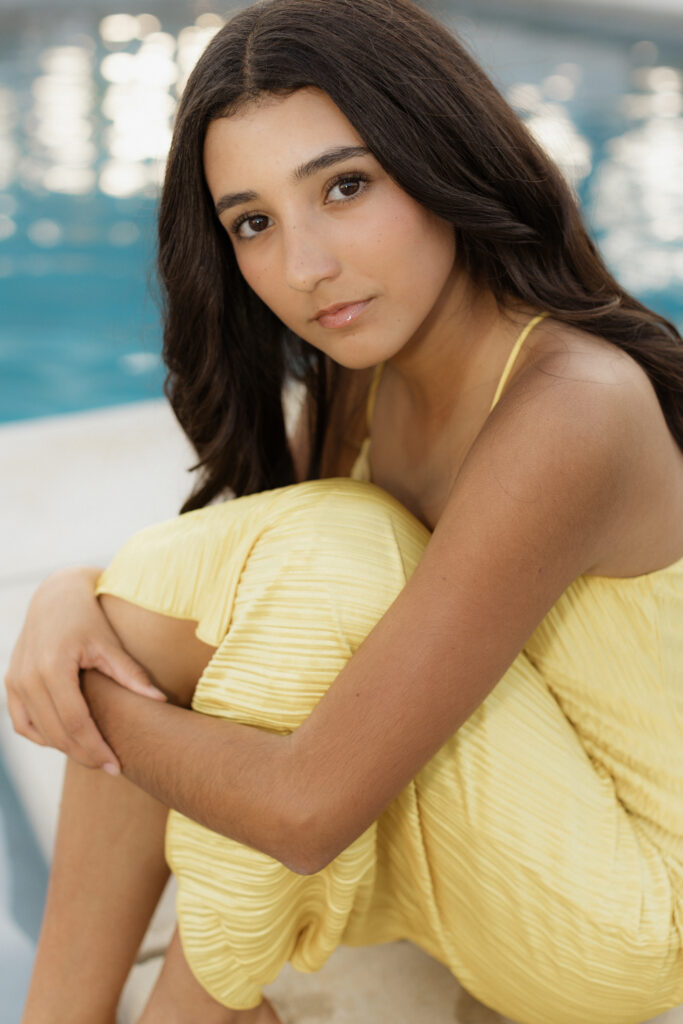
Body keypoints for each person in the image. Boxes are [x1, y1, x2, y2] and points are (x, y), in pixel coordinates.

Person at [6, 0, 683, 1021]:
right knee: (275, 586)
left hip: (626, 919)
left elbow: (304, 806)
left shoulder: (570, 408)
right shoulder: (365, 377)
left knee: (329, 554)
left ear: (440, 155)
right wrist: (74, 594)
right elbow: (243, 622)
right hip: (494, 864)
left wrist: (96, 698)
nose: (305, 267)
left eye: (346, 186)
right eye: (254, 222)